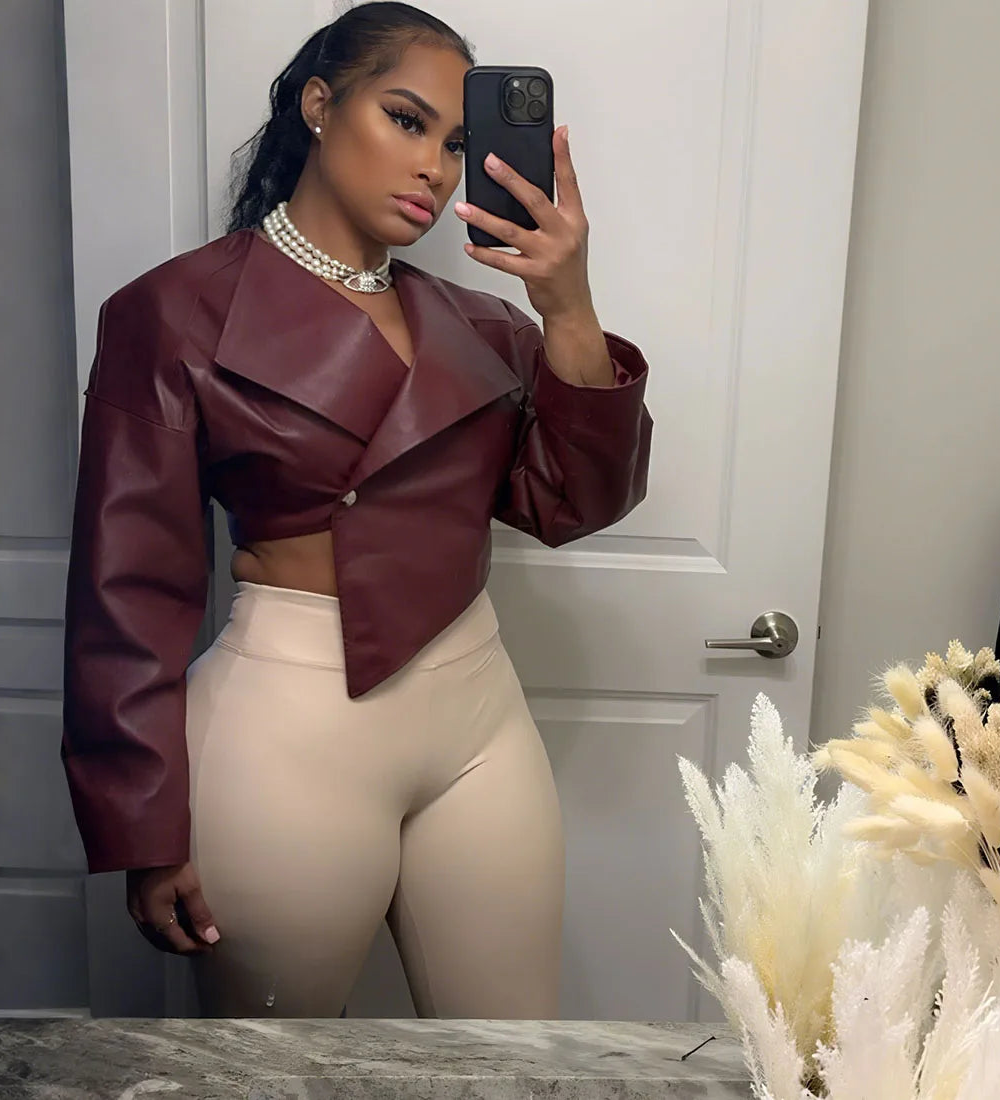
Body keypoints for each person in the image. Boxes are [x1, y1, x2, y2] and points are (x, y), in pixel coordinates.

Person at [61, 1, 652, 1020]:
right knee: (273, 1072)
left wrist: (567, 304)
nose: (434, 167)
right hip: (288, 726)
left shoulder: (483, 325)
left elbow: (574, 503)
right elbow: (128, 589)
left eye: (456, 143)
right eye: (406, 119)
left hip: (478, 714)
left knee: (514, 1064)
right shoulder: (173, 312)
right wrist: (141, 822)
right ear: (319, 105)